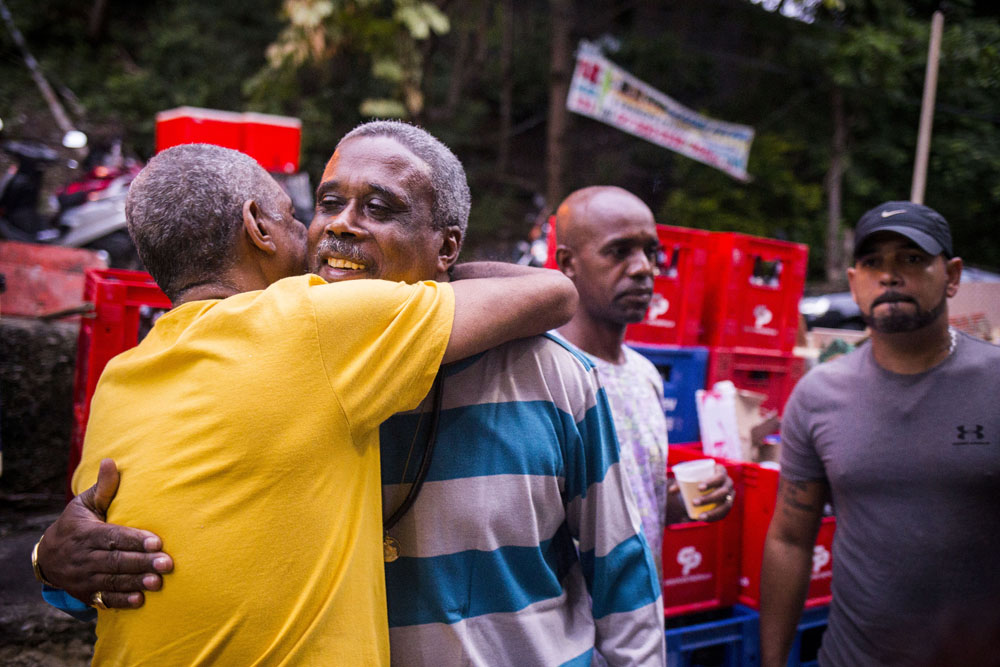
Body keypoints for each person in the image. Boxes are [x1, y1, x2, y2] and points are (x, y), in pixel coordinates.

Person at [37, 125, 666, 664]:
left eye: (379, 209)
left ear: (447, 245)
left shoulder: (554, 375)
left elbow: (622, 572)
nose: (339, 225)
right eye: (327, 204)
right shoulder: (261, 361)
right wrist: (53, 566)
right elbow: (142, 559)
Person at [759, 201, 1000, 666]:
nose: (889, 276)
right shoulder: (817, 396)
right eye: (873, 263)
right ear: (854, 283)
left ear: (951, 276)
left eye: (911, 259)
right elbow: (789, 538)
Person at [552, 185, 734, 580]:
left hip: (640, 620)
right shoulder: (546, 374)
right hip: (570, 632)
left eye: (651, 252)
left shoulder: (644, 374)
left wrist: (677, 503)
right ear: (567, 263)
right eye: (619, 251)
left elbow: (631, 509)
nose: (644, 269)